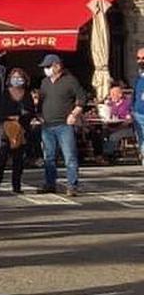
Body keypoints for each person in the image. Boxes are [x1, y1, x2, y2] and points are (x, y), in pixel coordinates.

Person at [37, 54, 86, 197]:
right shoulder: (44, 82)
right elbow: (41, 101)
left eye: (48, 66)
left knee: (69, 156)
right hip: (47, 125)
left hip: (64, 125)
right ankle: (50, 183)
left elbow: (82, 98)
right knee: (49, 157)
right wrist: (39, 115)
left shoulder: (70, 80)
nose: (46, 69)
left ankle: (72, 185)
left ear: (57, 66)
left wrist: (74, 114)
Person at [0, 68, 34, 194]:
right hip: (4, 129)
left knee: (18, 161)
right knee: (0, 159)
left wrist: (21, 117)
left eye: (19, 77)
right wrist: (9, 117)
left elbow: (31, 111)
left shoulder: (27, 95)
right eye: (14, 77)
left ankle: (16, 186)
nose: (17, 79)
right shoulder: (3, 93)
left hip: (21, 130)